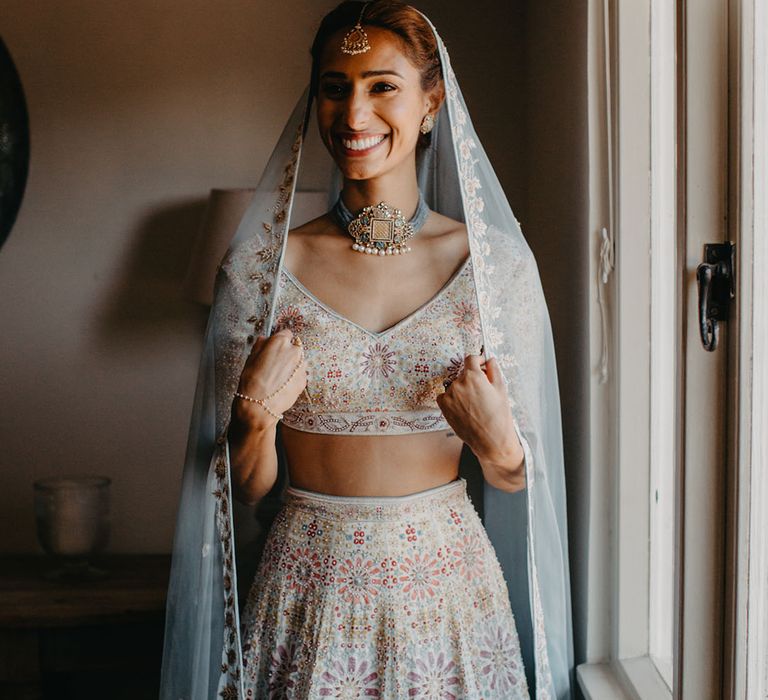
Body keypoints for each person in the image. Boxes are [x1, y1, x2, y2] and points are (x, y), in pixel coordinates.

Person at [160, 2, 574, 699]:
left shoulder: (494, 267)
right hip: (306, 589)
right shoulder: (262, 271)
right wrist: (256, 419)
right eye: (334, 87)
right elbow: (240, 491)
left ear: (431, 102)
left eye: (382, 86)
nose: (353, 115)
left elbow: (516, 476)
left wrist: (500, 443)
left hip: (447, 594)